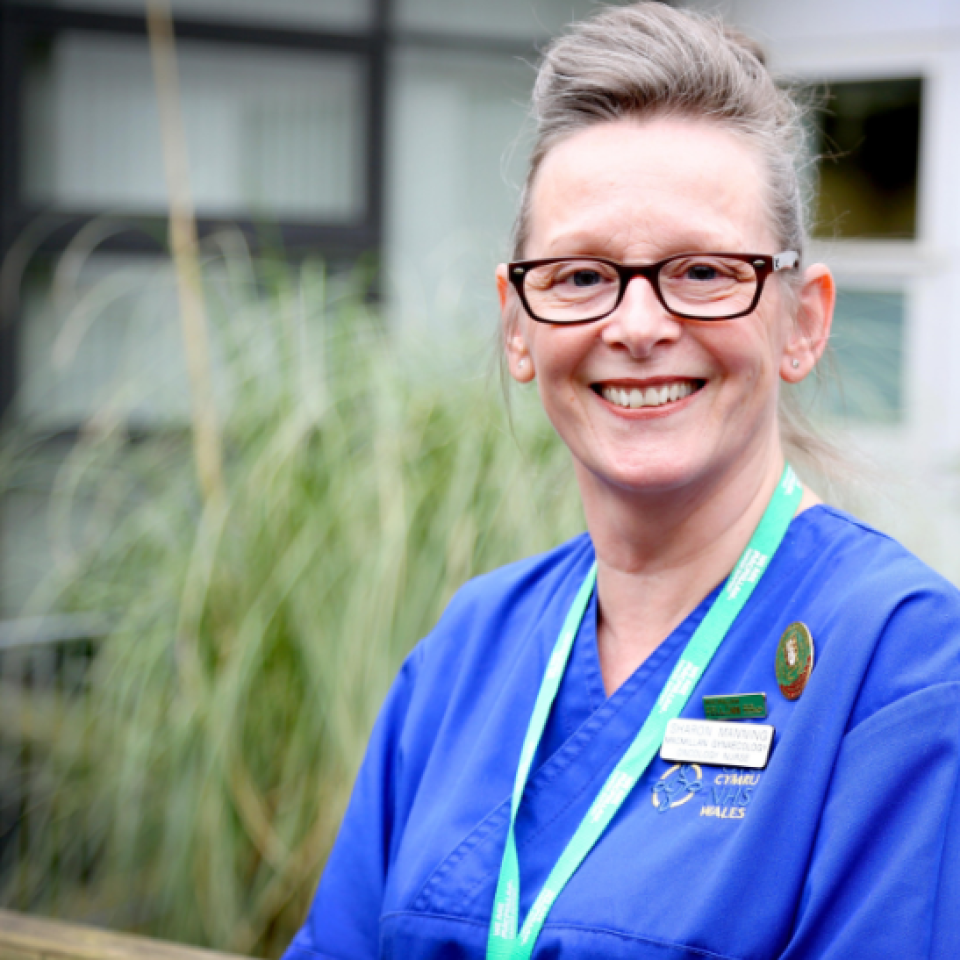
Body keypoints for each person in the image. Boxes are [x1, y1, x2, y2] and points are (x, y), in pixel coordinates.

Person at [284, 5, 960, 958]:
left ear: (802, 322)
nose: (637, 325)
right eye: (580, 276)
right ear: (518, 325)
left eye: (702, 270)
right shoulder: (467, 651)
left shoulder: (902, 669)